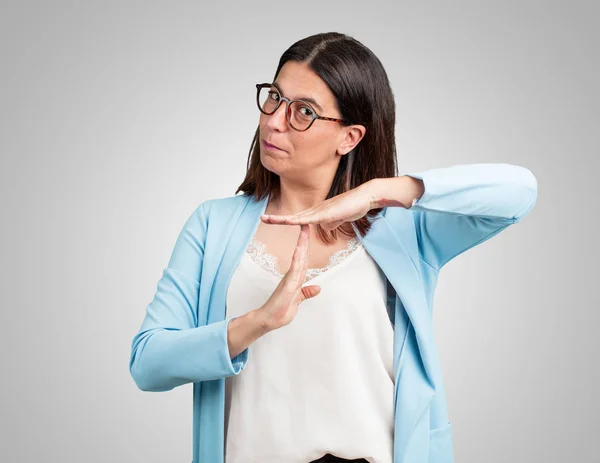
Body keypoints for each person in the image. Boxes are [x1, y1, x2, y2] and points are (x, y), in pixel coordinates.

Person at [129, 32, 538, 463]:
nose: (274, 120)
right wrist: (257, 322)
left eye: (303, 112)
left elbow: (519, 193)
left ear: (350, 137)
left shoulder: (403, 230)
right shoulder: (213, 225)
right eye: (274, 98)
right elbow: (148, 362)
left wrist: (383, 191)